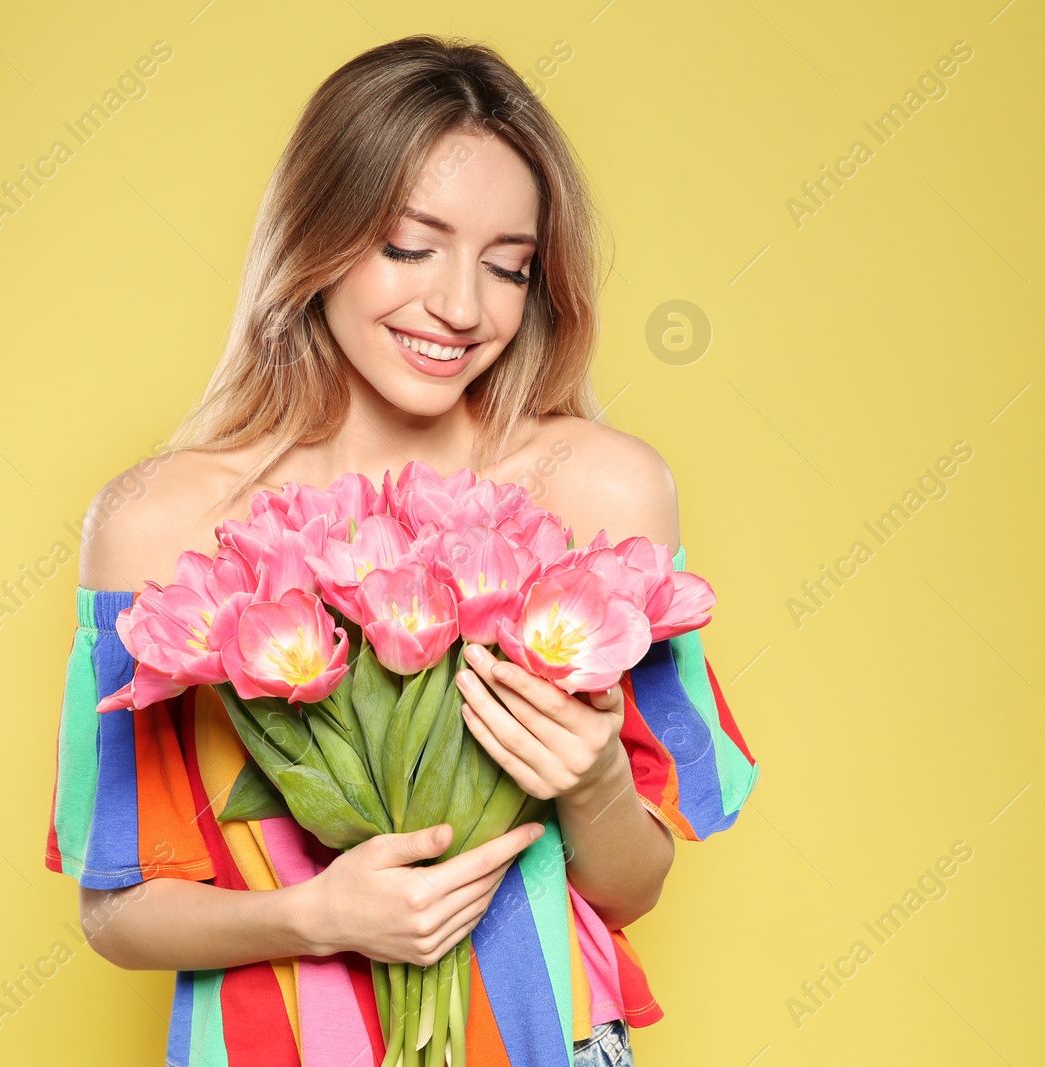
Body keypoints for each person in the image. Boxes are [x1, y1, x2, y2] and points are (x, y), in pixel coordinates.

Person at [43, 33, 758, 1067]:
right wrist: (318, 915)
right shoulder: (161, 525)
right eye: (410, 249)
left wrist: (596, 780)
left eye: (507, 266)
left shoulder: (598, 491)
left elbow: (629, 886)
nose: (462, 308)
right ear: (316, 240)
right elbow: (115, 906)